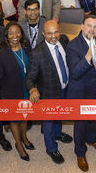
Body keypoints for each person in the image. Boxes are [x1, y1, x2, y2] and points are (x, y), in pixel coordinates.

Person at [65, 15, 96, 172]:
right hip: (80, 91)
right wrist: (87, 57)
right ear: (82, 27)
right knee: (80, 124)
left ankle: (92, 140)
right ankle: (80, 152)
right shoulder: (73, 46)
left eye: (95, 27)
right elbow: (74, 73)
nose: (92, 29)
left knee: (95, 118)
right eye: (89, 26)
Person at [26, 20, 73, 165]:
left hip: (65, 88)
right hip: (47, 94)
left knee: (60, 115)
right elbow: (29, 77)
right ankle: (51, 148)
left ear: (60, 31)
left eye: (56, 32)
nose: (53, 36)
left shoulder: (64, 40)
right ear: (43, 34)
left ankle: (58, 133)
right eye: (49, 33)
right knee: (48, 124)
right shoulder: (37, 53)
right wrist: (32, 89)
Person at [0, 22, 36, 160]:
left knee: (25, 117)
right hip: (10, 92)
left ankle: (24, 138)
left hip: (26, 90)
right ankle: (19, 145)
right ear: (6, 36)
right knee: (14, 120)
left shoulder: (27, 48)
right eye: (11, 33)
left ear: (21, 33)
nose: (15, 35)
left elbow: (33, 68)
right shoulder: (1, 54)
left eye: (17, 32)